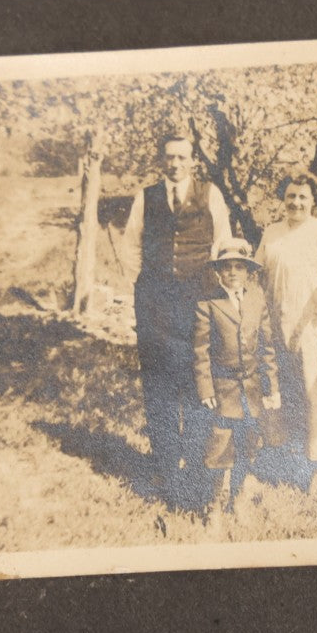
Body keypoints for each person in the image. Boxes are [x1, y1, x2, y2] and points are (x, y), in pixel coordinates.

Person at [118, 134, 234, 497]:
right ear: (161, 160)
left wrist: (212, 290)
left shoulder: (210, 194)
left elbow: (223, 244)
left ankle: (198, 465)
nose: (176, 163)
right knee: (158, 385)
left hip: (198, 302)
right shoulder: (147, 197)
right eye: (169, 157)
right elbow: (130, 246)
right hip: (154, 305)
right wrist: (147, 285)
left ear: (193, 160)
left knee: (198, 382)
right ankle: (166, 465)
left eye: (182, 157)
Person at [254, 174, 317, 492]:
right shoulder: (272, 233)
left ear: (313, 201)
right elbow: (258, 276)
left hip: (315, 329)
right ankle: (294, 459)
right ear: (284, 198)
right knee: (287, 396)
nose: (296, 203)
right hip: (278, 328)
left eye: (303, 197)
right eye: (291, 196)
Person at [192, 238, 281, 520]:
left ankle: (240, 497)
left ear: (248, 272)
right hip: (223, 388)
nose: (232, 273)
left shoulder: (257, 298)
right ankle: (215, 504)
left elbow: (267, 347)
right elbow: (200, 351)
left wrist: (272, 387)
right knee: (220, 446)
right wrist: (205, 388)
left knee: (248, 443)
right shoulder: (208, 302)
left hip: (252, 388)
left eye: (239, 267)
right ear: (218, 272)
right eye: (226, 267)